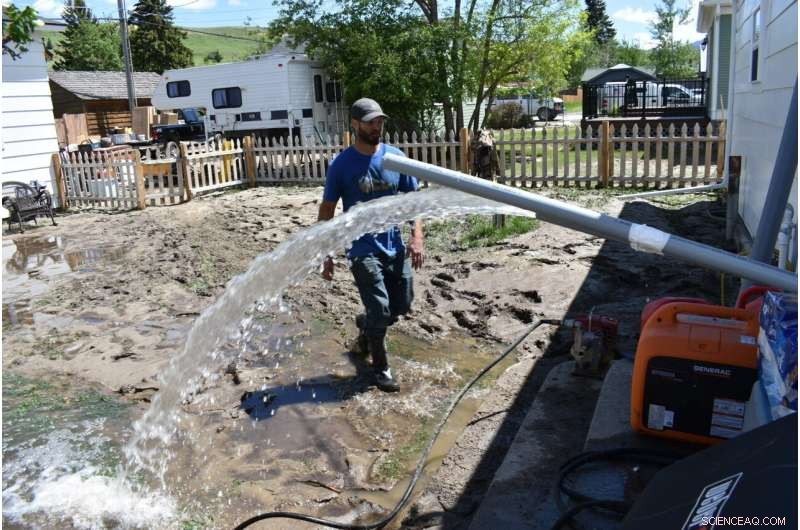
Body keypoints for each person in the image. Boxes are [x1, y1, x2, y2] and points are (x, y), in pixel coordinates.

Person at [317, 98, 424, 392]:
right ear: (355, 124)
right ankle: (381, 368)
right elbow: (327, 211)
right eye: (370, 121)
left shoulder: (395, 158)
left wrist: (416, 237)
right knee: (380, 307)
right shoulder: (341, 165)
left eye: (380, 121)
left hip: (395, 245)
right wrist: (326, 254)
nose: (377, 126)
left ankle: (366, 327)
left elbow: (413, 202)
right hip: (362, 248)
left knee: (401, 305)